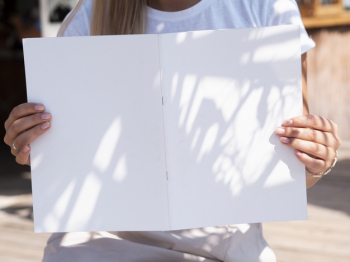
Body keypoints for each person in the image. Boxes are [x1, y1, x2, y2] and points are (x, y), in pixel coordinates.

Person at [3, 0, 342, 261]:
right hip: (96, 243)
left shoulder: (263, 7)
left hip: (220, 245)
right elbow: (63, 159)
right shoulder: (92, 15)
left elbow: (295, 171)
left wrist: (316, 158)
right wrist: (33, 142)